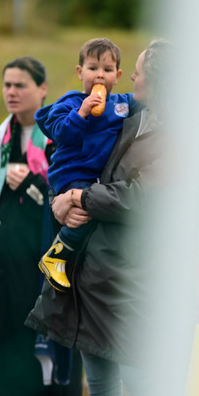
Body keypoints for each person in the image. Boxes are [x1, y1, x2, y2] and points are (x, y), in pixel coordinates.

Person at [27, 40, 174, 396]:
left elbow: (141, 196)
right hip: (92, 271)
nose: (129, 78)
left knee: (137, 373)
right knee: (102, 383)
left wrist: (79, 198)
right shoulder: (120, 116)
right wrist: (62, 200)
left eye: (136, 71)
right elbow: (66, 143)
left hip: (133, 273)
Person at [0, 56, 83, 396]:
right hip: (4, 285)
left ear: (42, 90)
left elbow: (74, 200)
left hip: (50, 281)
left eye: (21, 85)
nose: (11, 92)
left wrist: (37, 183)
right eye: (7, 85)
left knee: (58, 385)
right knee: (7, 383)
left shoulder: (61, 138)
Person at [35, 38, 134, 291]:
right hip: (71, 172)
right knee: (86, 209)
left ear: (118, 75)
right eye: (93, 68)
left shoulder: (122, 104)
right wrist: (81, 113)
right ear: (80, 72)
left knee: (94, 206)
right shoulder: (70, 103)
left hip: (98, 176)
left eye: (107, 70)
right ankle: (56, 255)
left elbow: (145, 103)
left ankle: (72, 260)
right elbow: (60, 134)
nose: (100, 76)